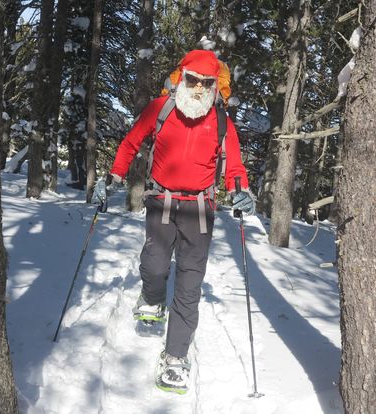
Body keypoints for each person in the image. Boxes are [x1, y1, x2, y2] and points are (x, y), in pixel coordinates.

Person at [108, 50, 255, 392]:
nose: (199, 88)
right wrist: (113, 176)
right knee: (155, 265)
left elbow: (234, 165)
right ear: (181, 78)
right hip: (161, 200)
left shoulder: (221, 122)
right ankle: (152, 298)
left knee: (190, 285)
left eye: (207, 83)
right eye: (193, 80)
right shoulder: (159, 110)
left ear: (215, 87)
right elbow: (131, 143)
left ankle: (175, 357)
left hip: (201, 209)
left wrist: (239, 189)